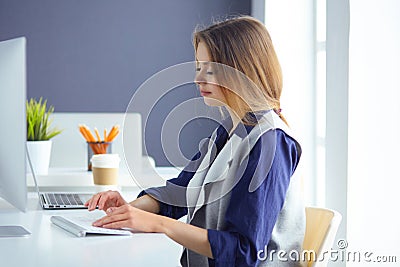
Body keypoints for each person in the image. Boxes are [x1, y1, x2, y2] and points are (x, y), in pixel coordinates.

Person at [85, 15, 305, 267]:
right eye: (198, 67)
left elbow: (243, 253)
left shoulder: (271, 144)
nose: (198, 79)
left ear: (242, 70)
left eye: (210, 69)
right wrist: (129, 210)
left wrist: (158, 224)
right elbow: (180, 192)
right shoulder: (228, 132)